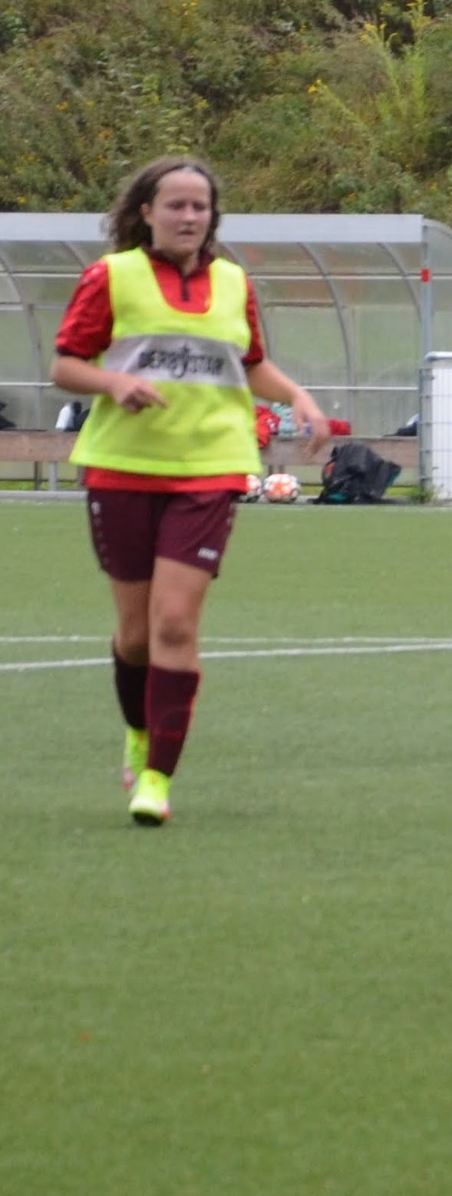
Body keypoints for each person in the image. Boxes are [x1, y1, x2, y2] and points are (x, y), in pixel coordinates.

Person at [49, 156, 332, 826]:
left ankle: (156, 778)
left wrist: (298, 397)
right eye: (174, 205)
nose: (187, 216)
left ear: (213, 216)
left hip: (210, 469)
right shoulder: (111, 276)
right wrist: (115, 383)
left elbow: (250, 365)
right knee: (136, 636)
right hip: (122, 467)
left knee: (175, 623)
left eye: (199, 206)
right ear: (145, 211)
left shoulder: (234, 282)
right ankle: (138, 729)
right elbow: (64, 365)